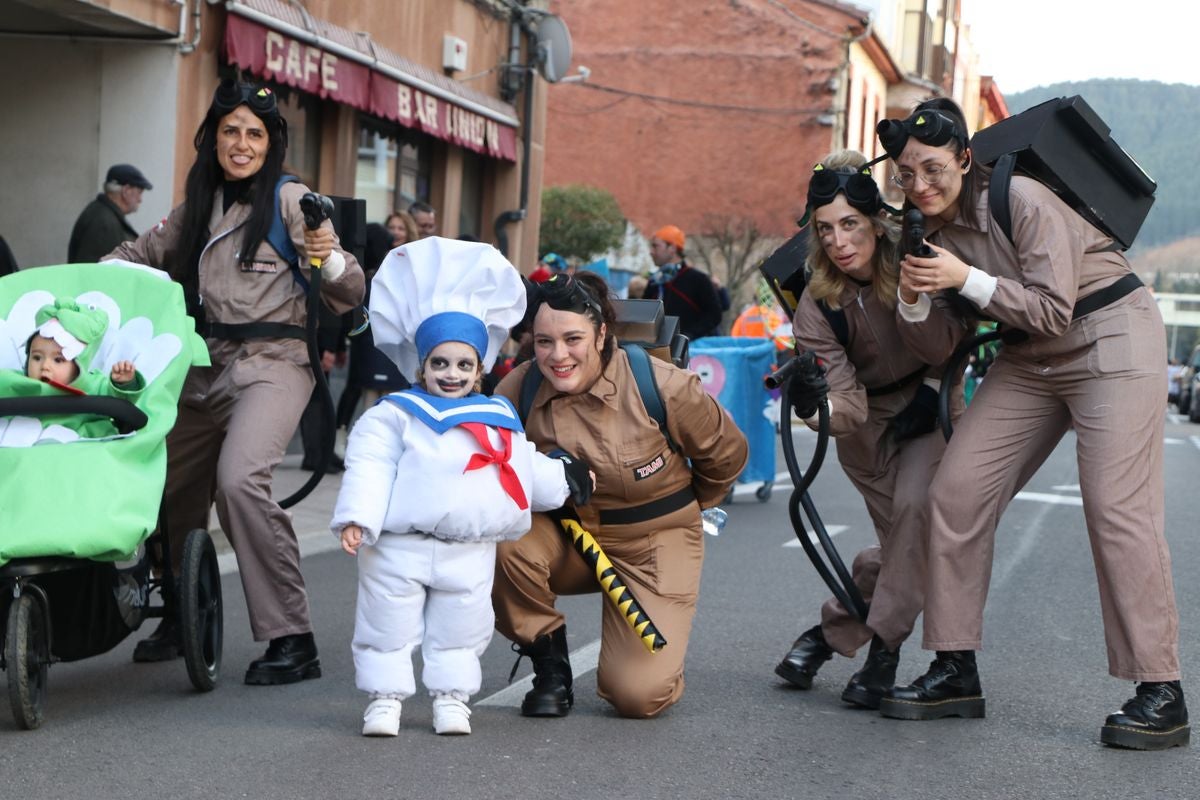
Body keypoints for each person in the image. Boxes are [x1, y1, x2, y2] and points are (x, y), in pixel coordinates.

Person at [876, 98, 1188, 750]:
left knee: (1116, 510)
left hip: (1110, 336)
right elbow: (944, 344)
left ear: (966, 159)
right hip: (1028, 358)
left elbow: (1050, 308)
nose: (921, 186)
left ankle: (1160, 689)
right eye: (908, 174)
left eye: (933, 169)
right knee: (954, 493)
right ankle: (954, 666)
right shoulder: (926, 233)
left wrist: (964, 276)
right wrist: (911, 300)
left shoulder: (1021, 197)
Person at [107, 80, 365, 685]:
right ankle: (182, 610)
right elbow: (136, 253)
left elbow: (349, 289)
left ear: (270, 141)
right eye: (230, 131)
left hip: (273, 362)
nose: (241, 143)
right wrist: (87, 285)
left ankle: (291, 637)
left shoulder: (289, 200)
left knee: (240, 481)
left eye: (254, 133)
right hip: (201, 363)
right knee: (160, 480)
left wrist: (329, 254)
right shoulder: (198, 200)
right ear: (213, 138)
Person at [332, 237, 592, 737]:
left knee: (462, 629)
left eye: (464, 365)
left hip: (470, 550)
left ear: (480, 370)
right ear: (421, 366)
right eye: (441, 364)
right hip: (397, 547)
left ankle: (452, 699)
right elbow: (369, 466)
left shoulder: (499, 418)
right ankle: (384, 700)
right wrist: (357, 518)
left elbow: (521, 469)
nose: (452, 375)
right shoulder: (394, 416)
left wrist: (566, 481)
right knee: (386, 625)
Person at [492, 271, 749, 719]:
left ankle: (660, 660)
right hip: (568, 538)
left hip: (654, 540)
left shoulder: (663, 387)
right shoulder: (519, 389)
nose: (558, 355)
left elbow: (726, 458)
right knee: (499, 539)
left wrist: (690, 507)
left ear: (601, 333)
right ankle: (550, 667)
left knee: (637, 696)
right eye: (544, 342)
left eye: (573, 338)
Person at [772, 152, 964, 710]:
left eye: (849, 224)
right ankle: (827, 636)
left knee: (913, 516)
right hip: (864, 425)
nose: (838, 241)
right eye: (825, 229)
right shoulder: (817, 301)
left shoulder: (913, 257)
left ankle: (879, 652)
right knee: (906, 546)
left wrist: (930, 394)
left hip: (932, 401)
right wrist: (816, 404)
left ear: (875, 222)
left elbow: (951, 339)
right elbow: (846, 406)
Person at [0, 299, 143, 438]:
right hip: (21, 443)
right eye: (37, 358)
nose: (45, 366)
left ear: (78, 364)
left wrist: (123, 383)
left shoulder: (93, 386)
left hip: (78, 446)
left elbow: (122, 403)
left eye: (58, 360)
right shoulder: (14, 382)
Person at [641, 224, 723, 341]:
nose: (651, 252)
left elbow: (715, 315)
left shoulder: (697, 279)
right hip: (657, 348)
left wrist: (688, 335)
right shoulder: (655, 282)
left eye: (656, 246)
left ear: (672, 249)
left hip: (691, 351)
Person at [68, 164, 153, 264]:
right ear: (126, 191)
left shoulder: (103, 214)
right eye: (139, 192)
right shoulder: (102, 221)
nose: (140, 200)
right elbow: (92, 269)